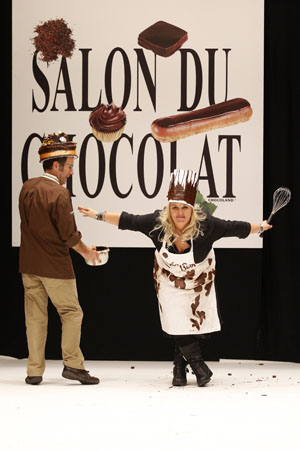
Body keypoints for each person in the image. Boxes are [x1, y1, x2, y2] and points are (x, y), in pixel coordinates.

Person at [78, 168, 272, 387]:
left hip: (199, 280)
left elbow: (236, 227)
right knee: (174, 317)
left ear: (192, 209)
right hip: (168, 279)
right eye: (175, 208)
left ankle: (179, 368)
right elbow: (127, 220)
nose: (180, 213)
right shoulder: (156, 224)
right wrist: (98, 215)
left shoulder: (207, 225)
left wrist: (260, 227)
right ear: (168, 208)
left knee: (191, 322)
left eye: (184, 208)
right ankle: (199, 366)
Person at [19, 132, 100, 385]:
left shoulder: (27, 187)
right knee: (71, 312)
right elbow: (69, 236)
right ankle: (73, 365)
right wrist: (88, 252)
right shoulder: (60, 194)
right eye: (69, 167)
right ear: (56, 165)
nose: (71, 172)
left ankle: (34, 371)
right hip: (54, 266)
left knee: (35, 317)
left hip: (29, 265)